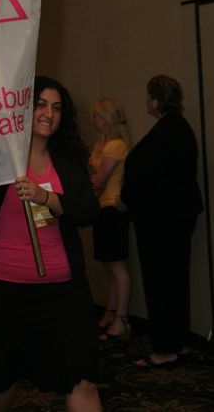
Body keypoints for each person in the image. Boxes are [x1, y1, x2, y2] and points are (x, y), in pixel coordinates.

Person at [0, 76, 102, 412]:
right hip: (2, 290)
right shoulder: (1, 156)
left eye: (56, 107)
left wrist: (49, 198)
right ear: (23, 110)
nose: (48, 113)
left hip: (64, 292)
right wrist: (4, 156)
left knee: (81, 376)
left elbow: (88, 210)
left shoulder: (68, 160)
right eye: (40, 104)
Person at [121, 75, 203, 368]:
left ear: (155, 100)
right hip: (176, 217)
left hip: (159, 221)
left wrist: (127, 195)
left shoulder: (166, 132)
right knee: (175, 281)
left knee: (160, 283)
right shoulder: (179, 129)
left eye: (148, 96)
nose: (146, 102)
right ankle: (176, 342)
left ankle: (165, 349)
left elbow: (146, 177)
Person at [89, 98, 131, 340]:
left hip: (112, 208)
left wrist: (82, 201)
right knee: (107, 265)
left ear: (105, 118)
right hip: (102, 208)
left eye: (96, 116)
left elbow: (99, 180)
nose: (93, 120)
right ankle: (111, 312)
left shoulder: (115, 144)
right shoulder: (100, 144)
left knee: (117, 266)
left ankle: (123, 319)